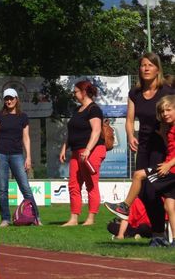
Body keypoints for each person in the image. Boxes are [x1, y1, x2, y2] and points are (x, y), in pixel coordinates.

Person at [106, 95, 175, 245]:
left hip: (172, 169)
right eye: (162, 111)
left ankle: (124, 207)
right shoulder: (169, 129)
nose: (165, 114)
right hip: (169, 166)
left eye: (169, 110)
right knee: (169, 205)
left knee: (138, 175)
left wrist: (169, 165)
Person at [125, 53, 174, 246]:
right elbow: (129, 119)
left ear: (157, 69)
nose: (146, 68)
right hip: (143, 145)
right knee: (145, 192)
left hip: (161, 146)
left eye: (150, 65)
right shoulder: (135, 93)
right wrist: (130, 136)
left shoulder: (167, 90)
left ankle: (158, 235)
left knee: (153, 188)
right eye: (143, 65)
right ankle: (158, 234)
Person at [59, 81, 106, 226]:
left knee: (91, 184)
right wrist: (64, 147)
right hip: (76, 151)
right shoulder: (78, 109)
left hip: (92, 151)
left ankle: (90, 218)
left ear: (84, 92)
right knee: (73, 184)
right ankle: (74, 218)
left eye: (76, 91)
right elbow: (72, 131)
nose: (74, 94)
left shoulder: (94, 109)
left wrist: (88, 149)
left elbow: (96, 130)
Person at [0, 89, 40, 227]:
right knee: (3, 189)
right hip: (0, 155)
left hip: (17, 155)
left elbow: (26, 138)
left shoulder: (23, 117)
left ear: (16, 99)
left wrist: (28, 157)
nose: (9, 101)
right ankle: (5, 219)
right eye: (6, 98)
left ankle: (36, 217)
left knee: (25, 187)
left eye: (11, 98)